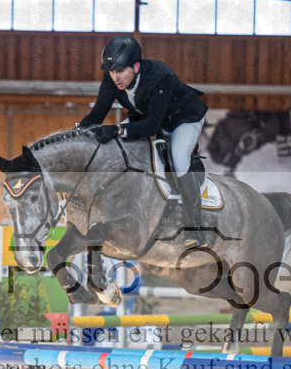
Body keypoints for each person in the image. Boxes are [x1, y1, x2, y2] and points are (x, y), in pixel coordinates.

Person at [78, 35, 209, 248]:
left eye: (120, 71)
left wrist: (118, 129)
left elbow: (152, 126)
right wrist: (77, 134)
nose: (115, 77)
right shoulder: (112, 79)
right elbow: (97, 115)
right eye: (111, 72)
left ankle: (195, 227)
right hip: (149, 117)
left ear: (136, 67)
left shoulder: (161, 76)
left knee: (178, 158)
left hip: (183, 118)